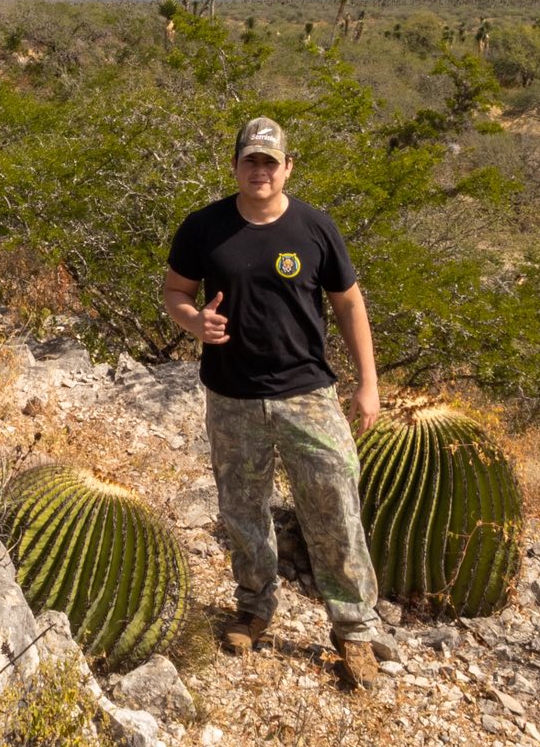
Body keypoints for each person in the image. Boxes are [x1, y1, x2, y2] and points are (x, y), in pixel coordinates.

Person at [161, 115, 385, 690]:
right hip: (232, 397)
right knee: (243, 509)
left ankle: (354, 630)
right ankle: (254, 609)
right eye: (249, 160)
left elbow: (350, 305)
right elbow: (175, 291)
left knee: (335, 503)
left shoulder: (315, 227)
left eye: (270, 161)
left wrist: (368, 383)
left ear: (288, 167)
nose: (259, 170)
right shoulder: (203, 227)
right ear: (235, 166)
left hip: (307, 393)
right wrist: (193, 321)